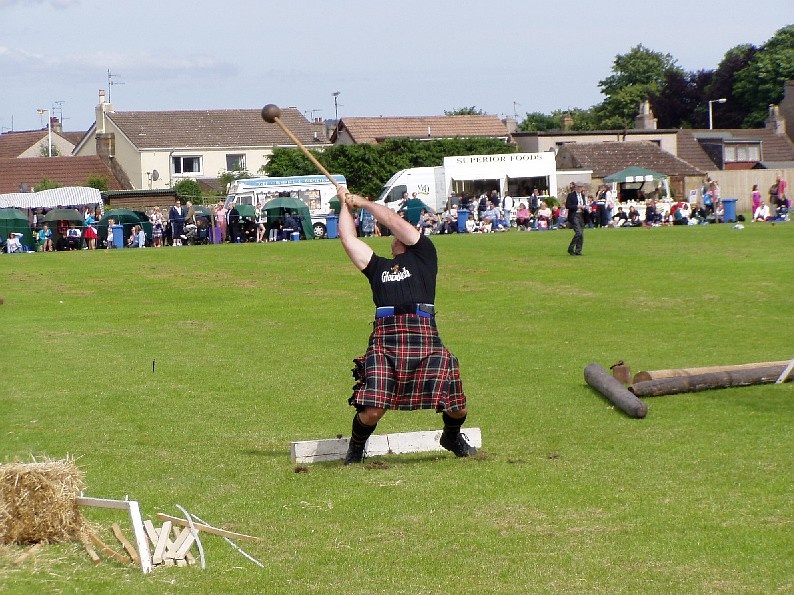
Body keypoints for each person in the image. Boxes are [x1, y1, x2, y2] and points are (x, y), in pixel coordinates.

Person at [336, 186, 476, 464]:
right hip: (386, 337)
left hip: (423, 334)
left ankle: (451, 435)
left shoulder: (424, 254)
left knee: (456, 405)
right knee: (373, 409)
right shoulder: (378, 267)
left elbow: (390, 219)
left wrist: (361, 201)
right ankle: (355, 448)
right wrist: (344, 204)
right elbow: (348, 239)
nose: (397, 234)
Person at [565, 182, 586, 256]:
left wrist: (585, 208)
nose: (579, 188)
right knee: (578, 232)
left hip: (581, 215)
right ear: (575, 187)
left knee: (581, 234)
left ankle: (578, 250)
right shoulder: (571, 195)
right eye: (578, 187)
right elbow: (568, 206)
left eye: (581, 187)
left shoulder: (583, 196)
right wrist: (577, 206)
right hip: (574, 215)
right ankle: (571, 248)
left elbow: (584, 205)